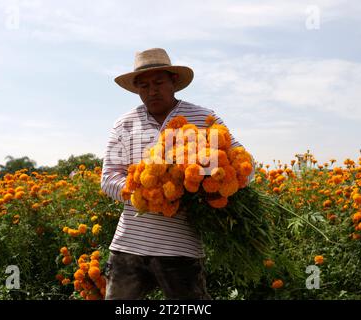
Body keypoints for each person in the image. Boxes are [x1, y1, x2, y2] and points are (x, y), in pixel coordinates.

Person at [101, 48, 253, 300]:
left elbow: (246, 166)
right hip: (129, 246)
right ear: (137, 89)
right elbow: (108, 179)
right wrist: (147, 195)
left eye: (159, 82)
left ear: (174, 82)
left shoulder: (205, 118)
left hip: (180, 248)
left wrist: (209, 185)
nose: (152, 91)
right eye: (144, 85)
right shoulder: (124, 124)